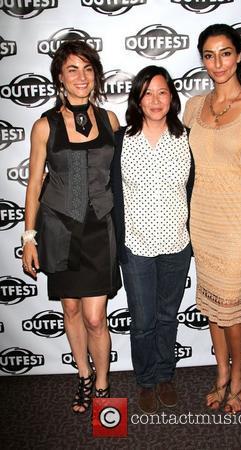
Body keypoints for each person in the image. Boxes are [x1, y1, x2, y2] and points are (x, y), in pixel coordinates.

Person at [22, 40, 121, 413]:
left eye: (87, 68)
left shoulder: (109, 120)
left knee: (96, 317)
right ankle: (83, 375)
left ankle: (102, 382)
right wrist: (29, 238)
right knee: (72, 313)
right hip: (59, 230)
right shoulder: (44, 125)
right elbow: (33, 185)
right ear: (60, 78)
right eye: (72, 70)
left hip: (99, 230)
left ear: (96, 74)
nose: (81, 77)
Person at [183, 24, 241, 414]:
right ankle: (220, 373)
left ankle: (238, 380)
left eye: (224, 53)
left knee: (233, 308)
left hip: (240, 221)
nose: (216, 62)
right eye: (208, 54)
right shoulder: (192, 106)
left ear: (238, 56)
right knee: (213, 305)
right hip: (202, 218)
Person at [111, 65, 194, 414]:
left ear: (172, 97)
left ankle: (165, 376)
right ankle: (145, 381)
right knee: (143, 321)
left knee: (167, 317)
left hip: (177, 244)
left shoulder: (188, 137)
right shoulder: (121, 140)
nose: (156, 100)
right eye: (148, 93)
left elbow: (203, 184)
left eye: (162, 92)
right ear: (138, 99)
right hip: (136, 247)